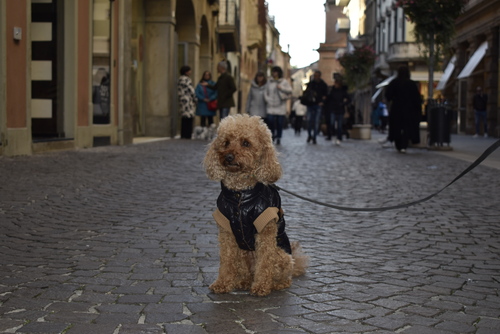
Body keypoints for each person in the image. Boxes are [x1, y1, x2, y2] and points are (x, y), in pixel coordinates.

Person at [385, 66, 422, 153]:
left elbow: (388, 96)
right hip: (409, 110)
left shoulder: (394, 83)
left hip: (397, 108)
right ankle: (404, 145)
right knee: (407, 128)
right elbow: (416, 98)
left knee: (397, 126)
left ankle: (398, 144)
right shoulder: (411, 84)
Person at [264, 66, 292, 145]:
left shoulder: (284, 82)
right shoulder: (269, 82)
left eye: (276, 72)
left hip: (280, 106)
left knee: (280, 123)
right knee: (270, 121)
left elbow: (290, 90)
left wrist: (281, 88)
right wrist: (267, 100)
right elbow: (265, 92)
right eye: (273, 72)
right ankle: (272, 135)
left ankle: (279, 137)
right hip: (271, 105)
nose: (274, 73)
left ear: (279, 73)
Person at [304, 70, 328, 144]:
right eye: (315, 76)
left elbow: (326, 95)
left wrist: (322, 102)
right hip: (310, 105)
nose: (316, 77)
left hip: (318, 105)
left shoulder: (323, 84)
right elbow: (306, 93)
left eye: (317, 76)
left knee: (316, 122)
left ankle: (314, 137)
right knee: (309, 121)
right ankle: (309, 135)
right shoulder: (311, 84)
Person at [325, 76, 350, 145]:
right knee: (332, 123)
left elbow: (348, 99)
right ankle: (333, 135)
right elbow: (328, 99)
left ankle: (339, 137)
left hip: (340, 109)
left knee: (339, 125)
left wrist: (343, 103)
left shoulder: (343, 91)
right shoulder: (332, 90)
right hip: (333, 109)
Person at [177, 65, 197, 139]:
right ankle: (188, 134)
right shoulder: (187, 79)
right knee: (189, 118)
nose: (190, 72)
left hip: (182, 100)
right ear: (186, 71)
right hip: (188, 101)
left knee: (184, 118)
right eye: (189, 70)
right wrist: (195, 99)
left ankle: (183, 134)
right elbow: (191, 90)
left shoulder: (180, 79)